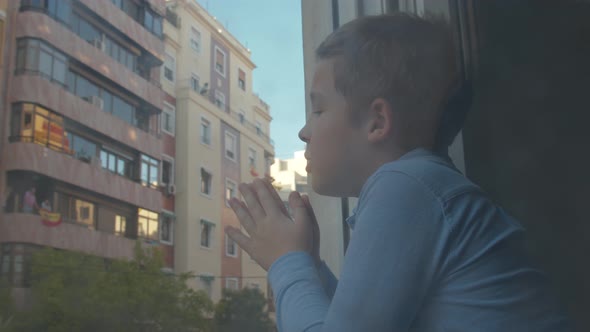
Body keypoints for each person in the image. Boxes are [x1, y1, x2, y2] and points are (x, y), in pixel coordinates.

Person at [225, 14, 571, 332]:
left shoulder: (405, 188)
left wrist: (287, 262)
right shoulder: (420, 188)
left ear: (377, 121)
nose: (304, 132)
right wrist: (310, 263)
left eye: (318, 109)